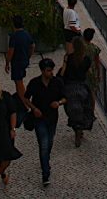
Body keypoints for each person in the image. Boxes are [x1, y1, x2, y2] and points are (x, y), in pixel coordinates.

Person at [22, 58, 66, 187]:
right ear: (42, 71)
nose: (51, 72)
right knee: (44, 144)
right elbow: (26, 98)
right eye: (48, 70)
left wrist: (59, 103)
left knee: (49, 142)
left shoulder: (57, 82)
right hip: (39, 119)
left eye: (51, 70)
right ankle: (45, 173)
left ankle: (45, 160)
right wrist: (34, 108)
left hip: (52, 118)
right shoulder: (34, 83)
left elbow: (65, 98)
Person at [60, 36, 94, 147]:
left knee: (71, 109)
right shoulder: (86, 59)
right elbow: (89, 72)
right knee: (85, 106)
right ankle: (82, 127)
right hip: (81, 86)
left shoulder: (69, 58)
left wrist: (64, 62)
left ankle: (76, 129)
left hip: (69, 87)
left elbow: (62, 73)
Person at [4, 15, 35, 111]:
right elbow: (32, 46)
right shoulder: (26, 34)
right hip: (24, 60)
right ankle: (22, 102)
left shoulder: (14, 37)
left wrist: (7, 63)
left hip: (16, 62)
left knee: (19, 83)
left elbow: (11, 51)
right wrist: (29, 55)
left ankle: (25, 104)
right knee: (18, 82)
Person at [82, 28, 101, 106]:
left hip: (82, 71)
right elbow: (97, 62)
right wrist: (98, 74)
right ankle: (92, 112)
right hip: (92, 72)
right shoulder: (95, 48)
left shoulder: (80, 47)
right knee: (92, 93)